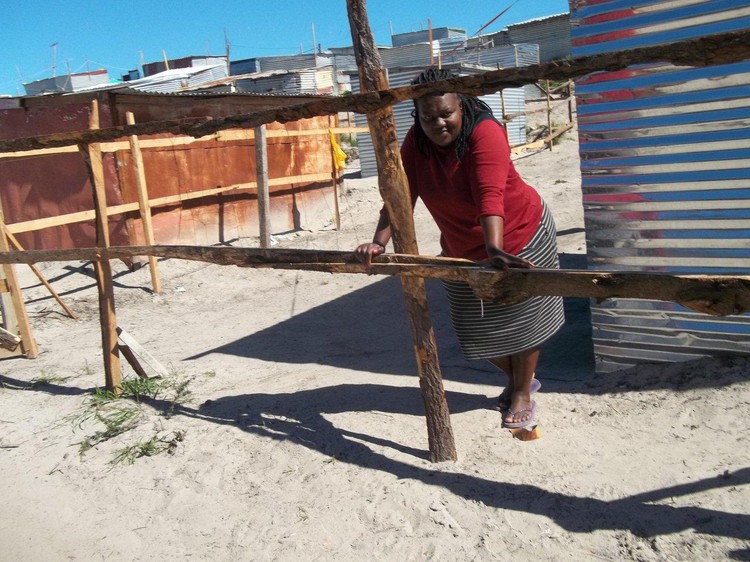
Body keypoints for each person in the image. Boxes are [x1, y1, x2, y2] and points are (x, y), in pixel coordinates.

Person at [354, 68, 565, 430]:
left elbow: (490, 195)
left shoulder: (485, 133)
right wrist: (379, 241)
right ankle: (522, 380)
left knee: (525, 323)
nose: (438, 123)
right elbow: (400, 196)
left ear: (462, 106)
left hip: (519, 235)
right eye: (428, 116)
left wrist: (495, 249)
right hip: (461, 247)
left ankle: (521, 395)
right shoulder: (416, 143)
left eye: (445, 113)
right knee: (476, 332)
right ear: (417, 116)